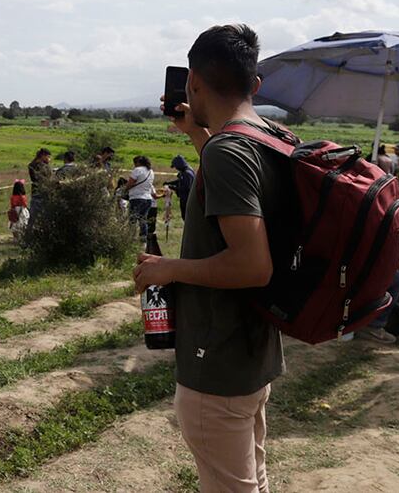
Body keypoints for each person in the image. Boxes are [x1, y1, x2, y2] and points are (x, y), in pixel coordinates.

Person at [134, 24, 286, 493]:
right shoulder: (274, 136)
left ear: (192, 82)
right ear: (254, 85)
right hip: (253, 348)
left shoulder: (228, 152)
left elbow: (251, 265)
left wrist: (169, 268)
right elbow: (241, 189)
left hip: (216, 360)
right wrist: (199, 134)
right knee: (250, 479)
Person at [125, 155, 155, 239]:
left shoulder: (137, 170)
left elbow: (130, 183)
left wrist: (124, 189)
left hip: (137, 197)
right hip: (148, 198)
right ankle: (143, 238)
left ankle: (131, 237)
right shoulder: (150, 171)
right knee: (143, 219)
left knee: (133, 219)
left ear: (138, 162)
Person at [164, 155, 196, 220]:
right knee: (185, 217)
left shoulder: (187, 173)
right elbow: (180, 181)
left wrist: (172, 187)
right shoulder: (185, 171)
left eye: (176, 166)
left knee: (186, 217)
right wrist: (169, 183)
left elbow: (186, 188)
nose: (176, 168)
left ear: (179, 164)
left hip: (187, 199)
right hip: (185, 198)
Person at [27, 148, 53, 220]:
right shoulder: (42, 166)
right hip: (42, 193)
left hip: (36, 193)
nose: (49, 159)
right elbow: (47, 178)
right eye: (48, 156)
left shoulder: (33, 165)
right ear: (43, 156)